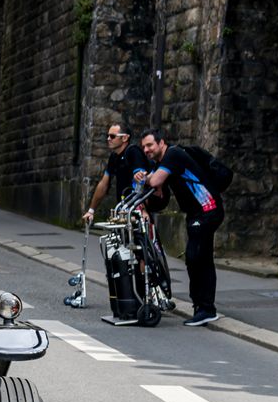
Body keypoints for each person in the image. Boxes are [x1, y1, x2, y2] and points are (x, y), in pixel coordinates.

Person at [137, 129, 227, 327]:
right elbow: (160, 196)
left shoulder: (173, 155)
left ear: (161, 143)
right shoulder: (163, 163)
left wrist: (146, 178)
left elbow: (155, 181)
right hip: (197, 213)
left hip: (207, 209)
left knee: (195, 257)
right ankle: (202, 308)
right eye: (143, 146)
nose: (146, 150)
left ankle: (206, 309)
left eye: (150, 145)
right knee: (201, 258)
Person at [83, 122, 145, 224]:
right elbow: (103, 184)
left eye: (112, 136)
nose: (108, 139)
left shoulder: (133, 152)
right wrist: (91, 211)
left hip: (136, 209)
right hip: (123, 208)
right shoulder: (114, 157)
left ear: (124, 138)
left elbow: (140, 181)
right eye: (107, 136)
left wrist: (141, 208)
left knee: (141, 238)